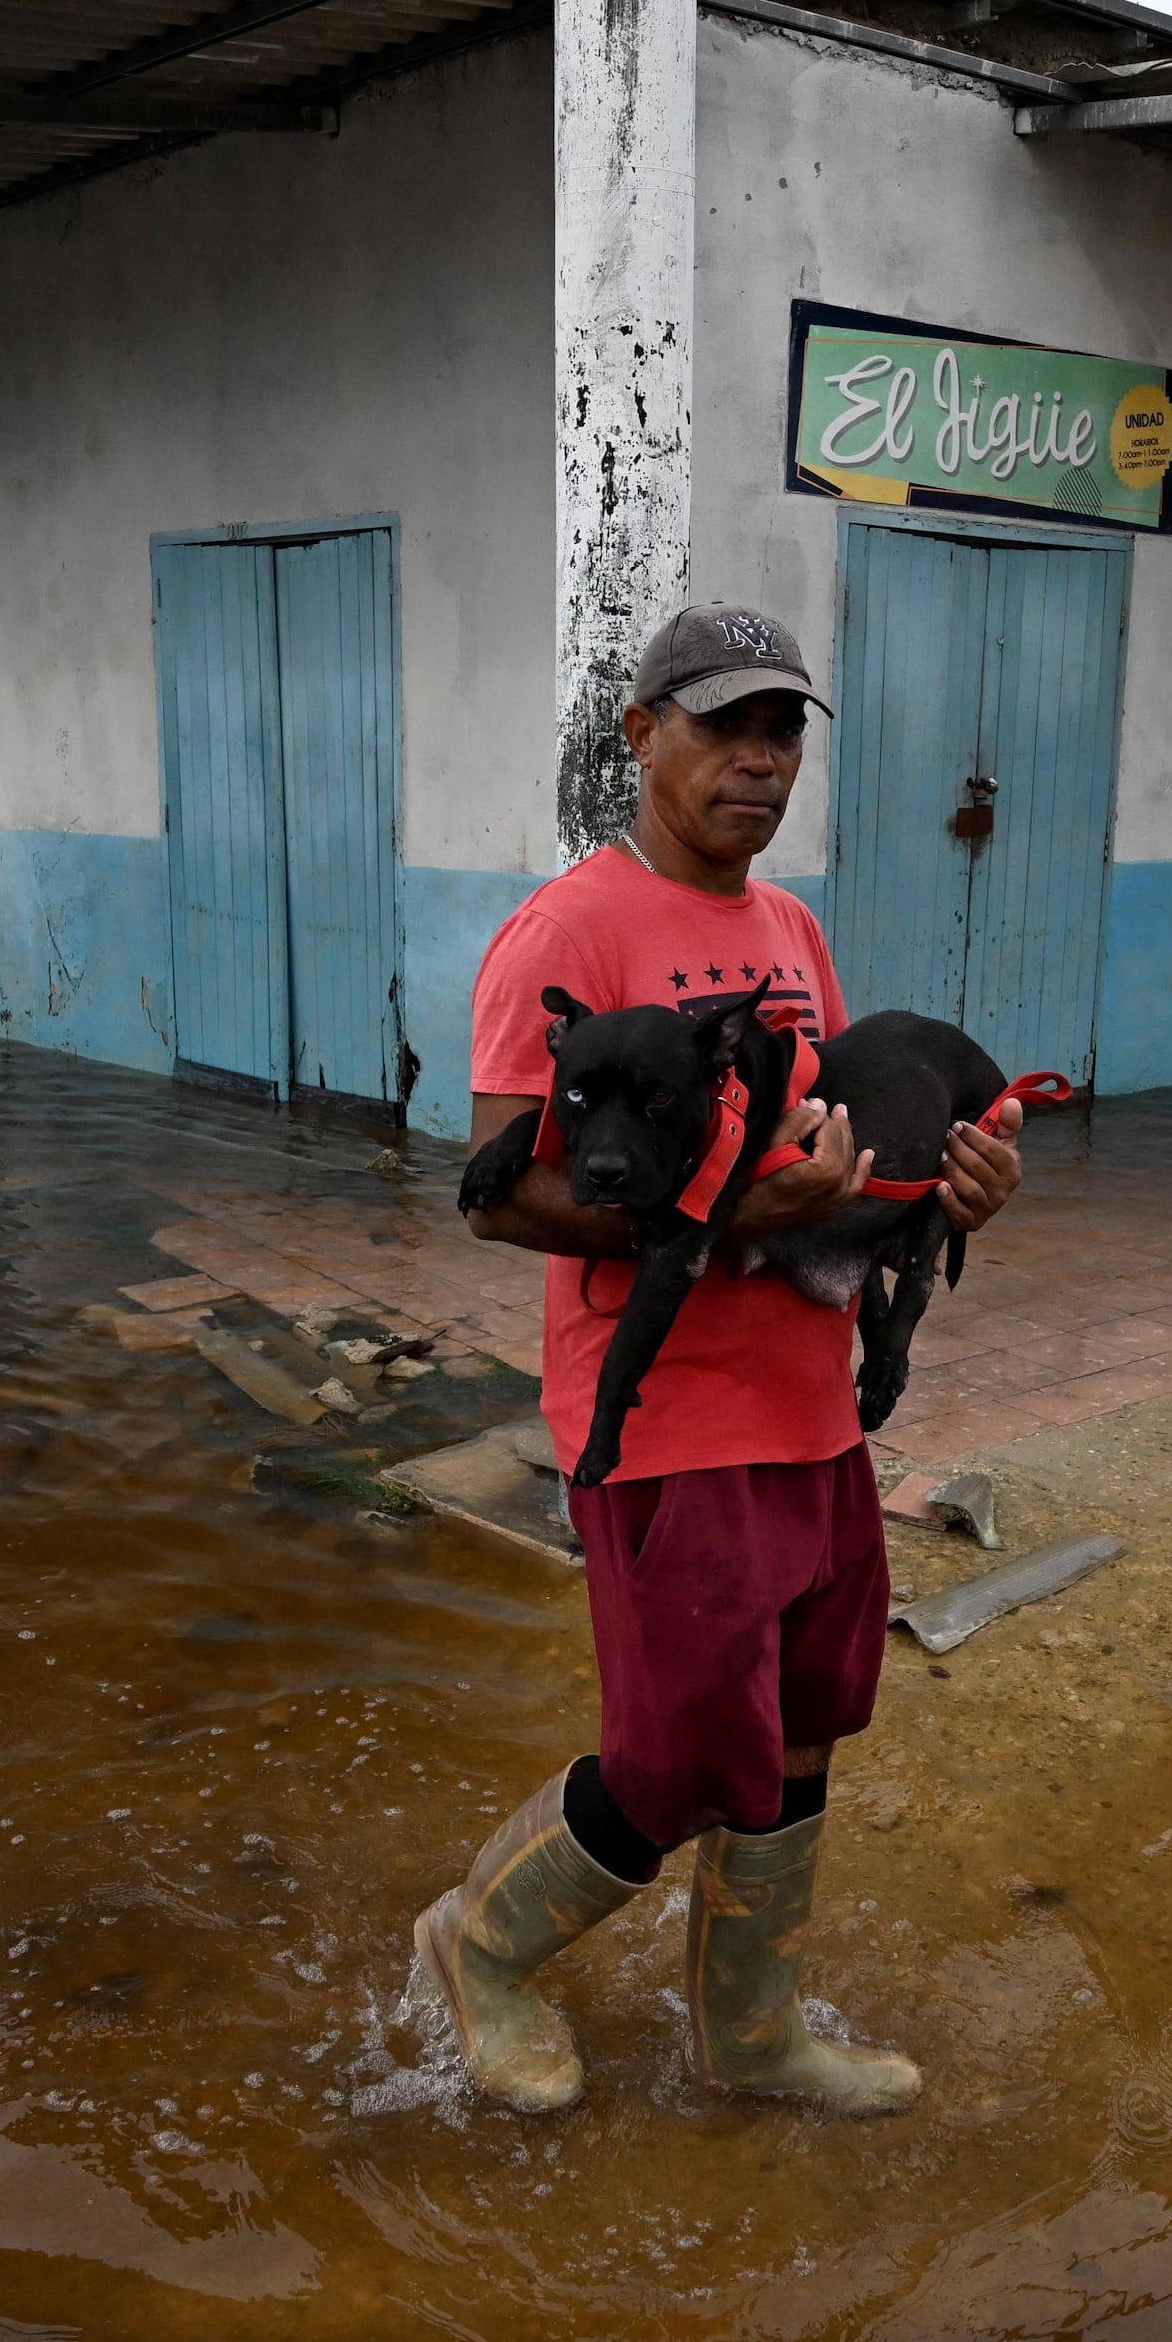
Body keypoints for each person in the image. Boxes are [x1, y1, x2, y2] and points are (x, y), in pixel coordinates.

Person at [412, 603, 1025, 2121]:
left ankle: (750, 2033)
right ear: (641, 736)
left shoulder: (789, 932)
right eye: (724, 727)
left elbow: (825, 1142)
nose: (760, 762)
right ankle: (478, 1948)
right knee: (681, 1752)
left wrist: (945, 1187)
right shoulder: (566, 934)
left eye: (783, 735)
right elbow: (511, 1196)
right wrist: (735, 1208)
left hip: (809, 1394)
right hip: (664, 1410)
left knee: (811, 1713)